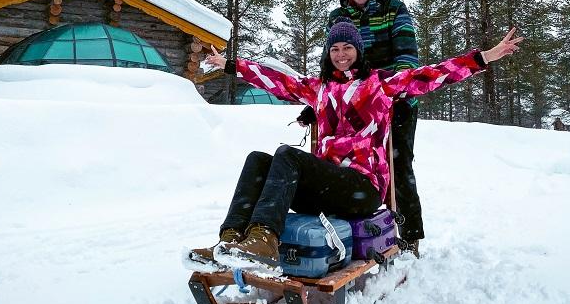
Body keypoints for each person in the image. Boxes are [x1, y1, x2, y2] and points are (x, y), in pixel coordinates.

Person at [186, 19, 523, 273]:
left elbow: (433, 74)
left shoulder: (379, 84)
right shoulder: (319, 89)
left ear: (358, 51)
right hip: (327, 185)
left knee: (287, 154)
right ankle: (230, 240)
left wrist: (484, 57)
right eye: (335, 49)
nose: (341, 54)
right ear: (328, 54)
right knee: (259, 160)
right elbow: (278, 80)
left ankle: (263, 241)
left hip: (361, 188)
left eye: (347, 48)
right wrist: (231, 65)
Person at [324, 0, 426, 256]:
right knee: (350, 164)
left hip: (397, 100)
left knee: (397, 164)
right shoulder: (338, 17)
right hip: (353, 106)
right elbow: (333, 62)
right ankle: (354, 230)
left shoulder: (394, 10)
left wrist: (394, 93)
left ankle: (409, 234)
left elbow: (407, 57)